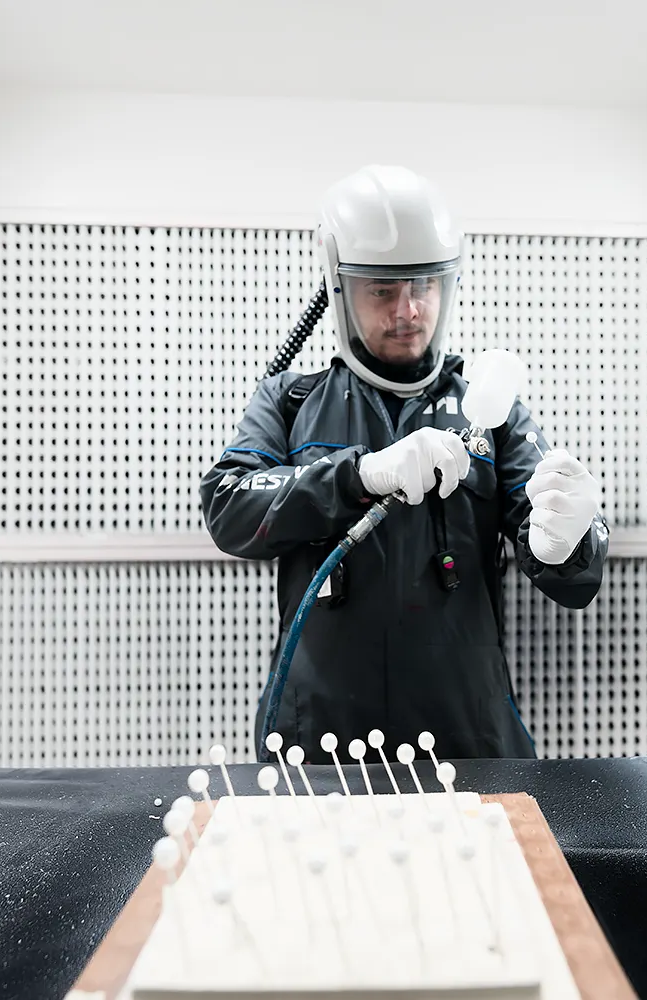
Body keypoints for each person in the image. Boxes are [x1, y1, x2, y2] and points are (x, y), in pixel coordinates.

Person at [199, 165, 608, 760]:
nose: (408, 311)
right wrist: (358, 474)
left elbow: (569, 577)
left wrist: (568, 543)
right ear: (340, 291)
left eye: (423, 286)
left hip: (467, 740)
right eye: (382, 290)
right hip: (319, 741)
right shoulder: (290, 402)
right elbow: (229, 506)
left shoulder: (488, 411)